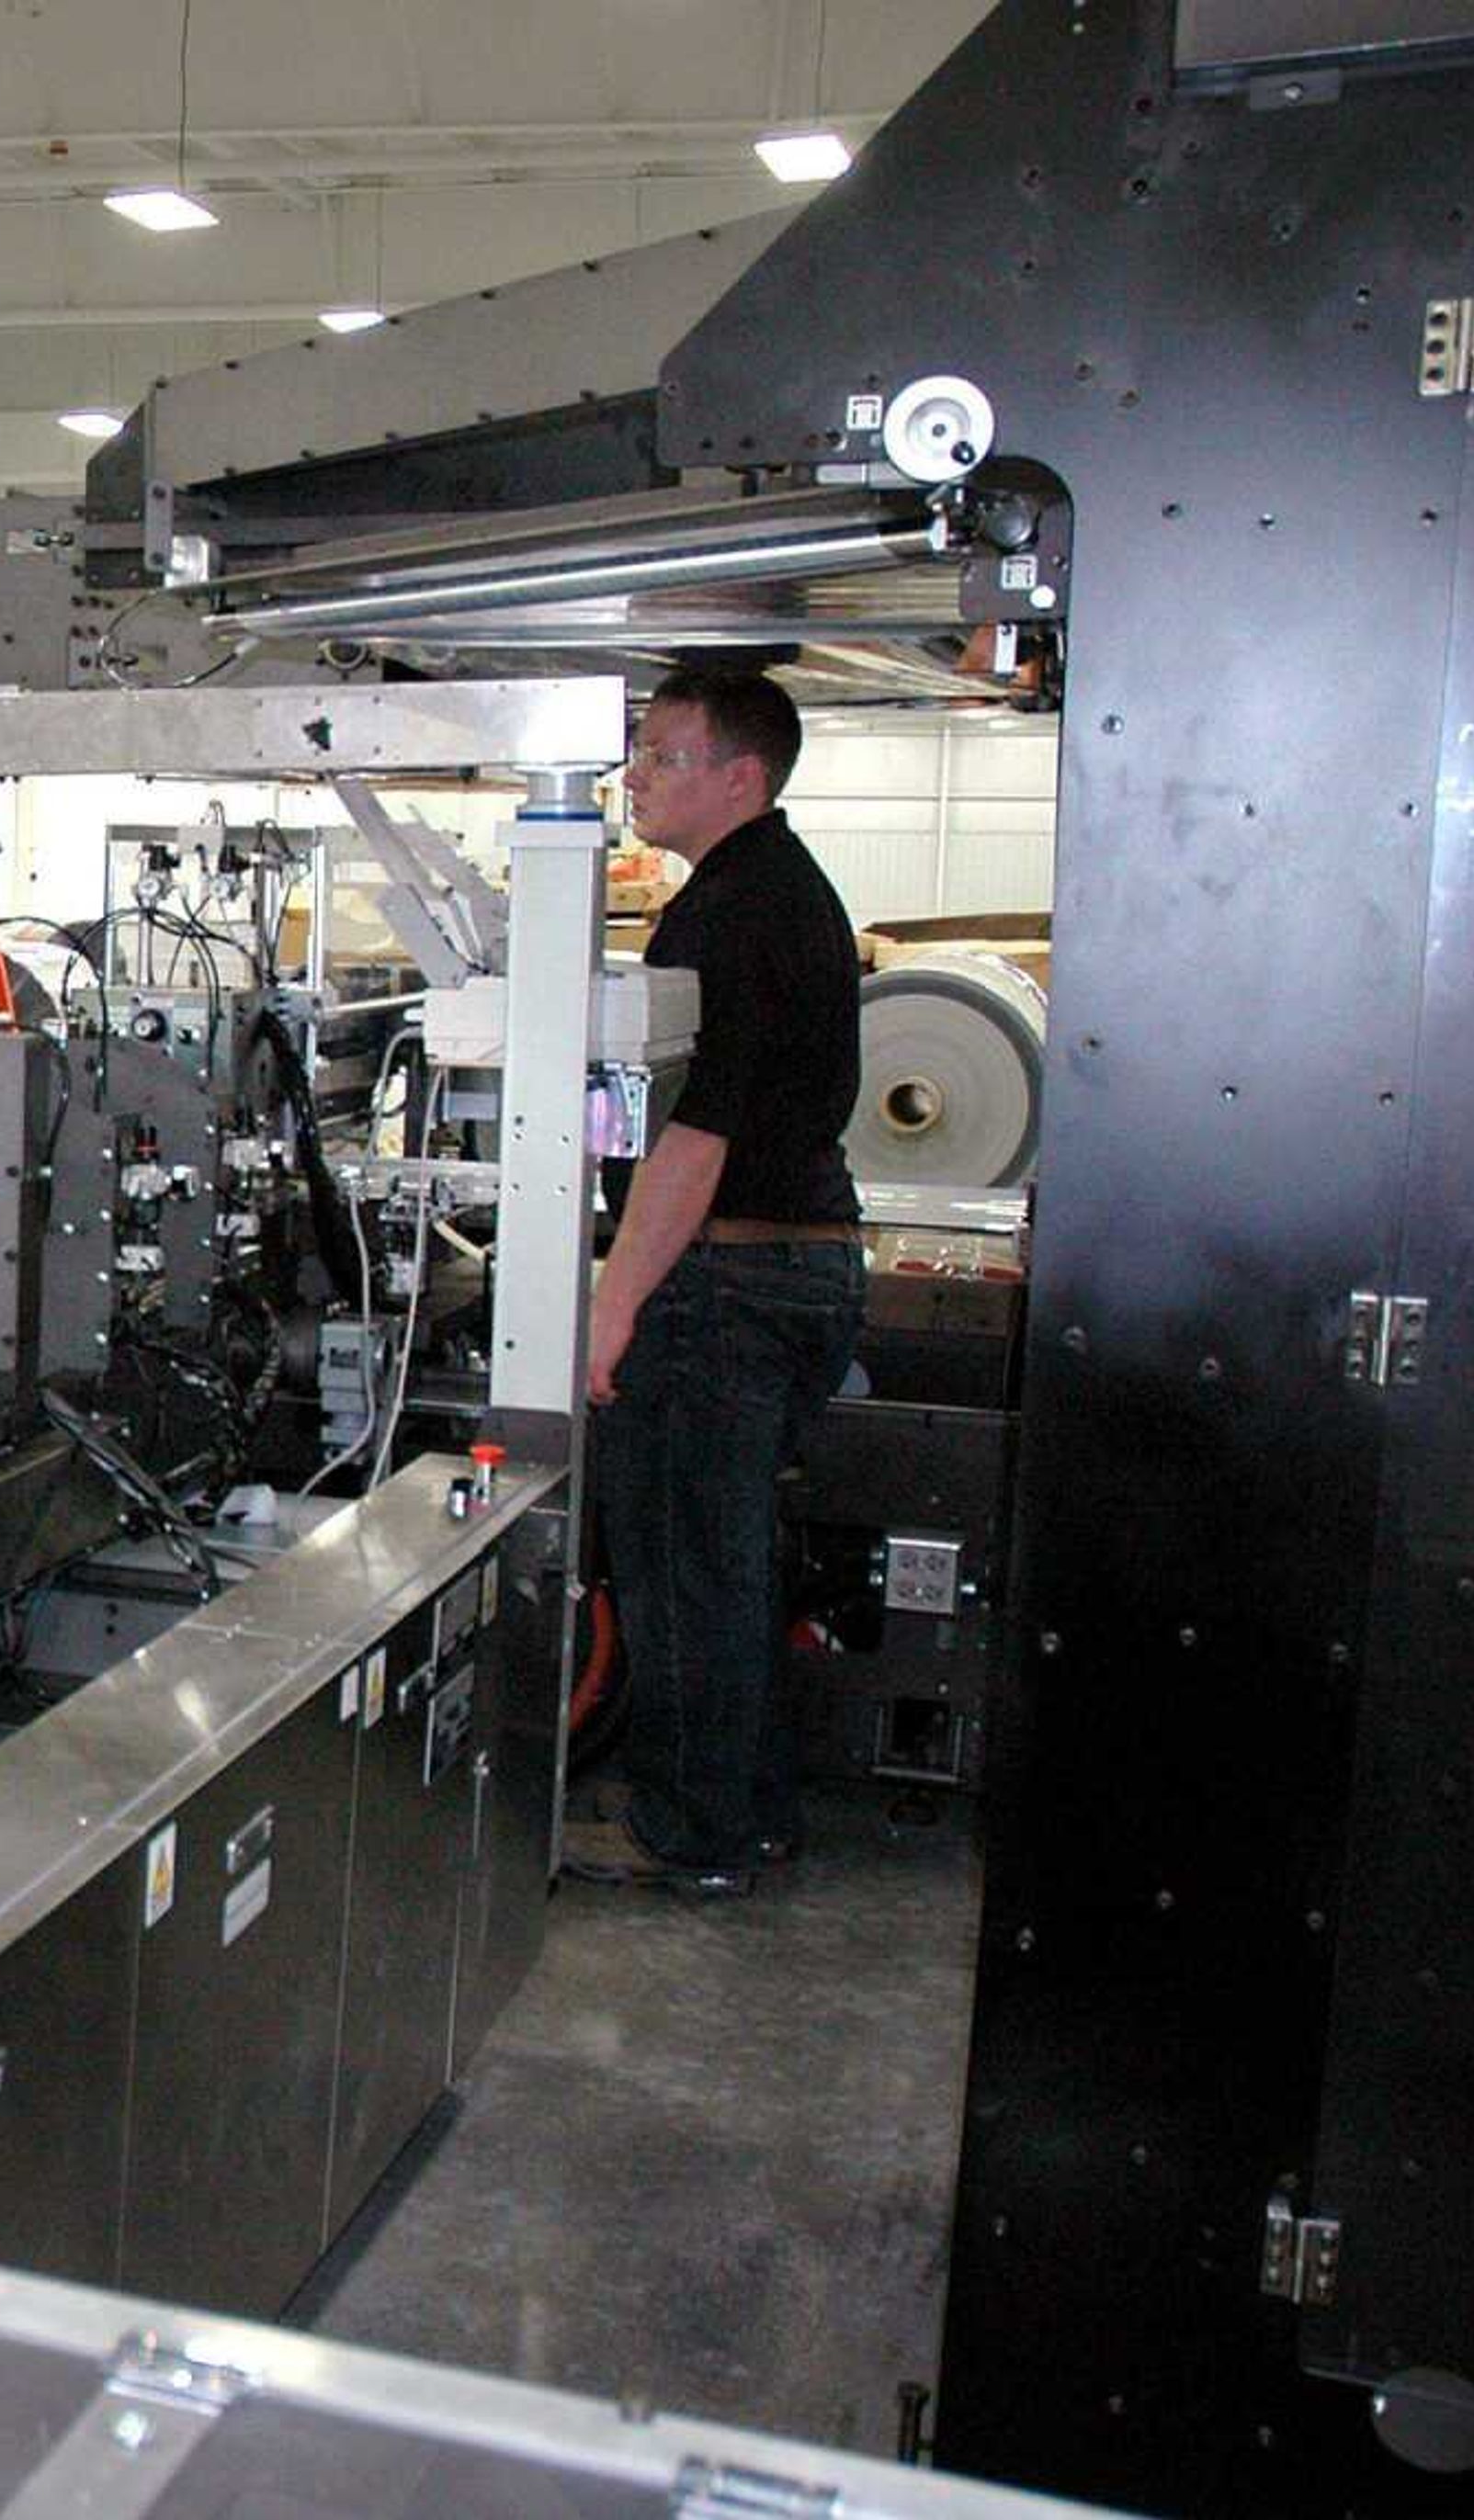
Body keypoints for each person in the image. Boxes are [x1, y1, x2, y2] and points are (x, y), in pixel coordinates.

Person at [562, 666, 868, 1895]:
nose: (637, 774)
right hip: (804, 1262)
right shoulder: (780, 894)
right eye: (638, 752)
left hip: (724, 1279)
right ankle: (751, 1810)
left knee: (683, 1565)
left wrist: (614, 1299)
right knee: (731, 1558)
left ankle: (685, 1831)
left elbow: (697, 1139)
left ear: (740, 776)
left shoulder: (724, 918)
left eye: (663, 755)